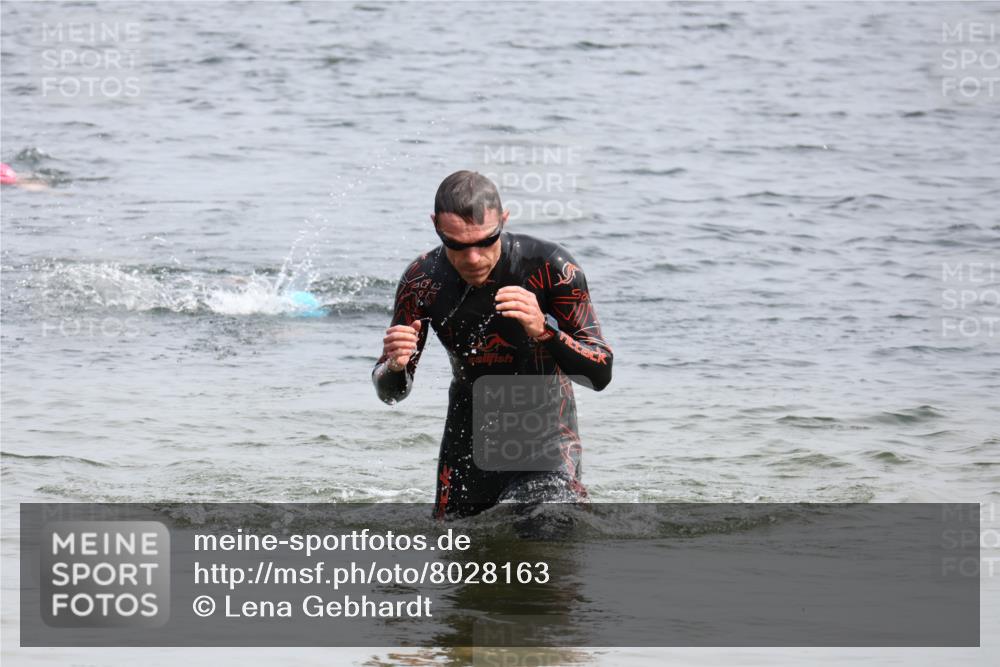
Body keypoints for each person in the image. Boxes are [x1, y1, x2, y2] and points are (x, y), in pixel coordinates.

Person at [373, 171, 613, 519]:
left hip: (544, 439)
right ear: (435, 226)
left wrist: (544, 331)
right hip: (466, 441)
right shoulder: (421, 281)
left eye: (485, 241)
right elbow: (392, 393)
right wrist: (395, 366)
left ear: (503, 220)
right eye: (456, 245)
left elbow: (600, 374)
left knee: (548, 531)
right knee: (457, 554)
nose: (473, 258)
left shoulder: (550, 267)